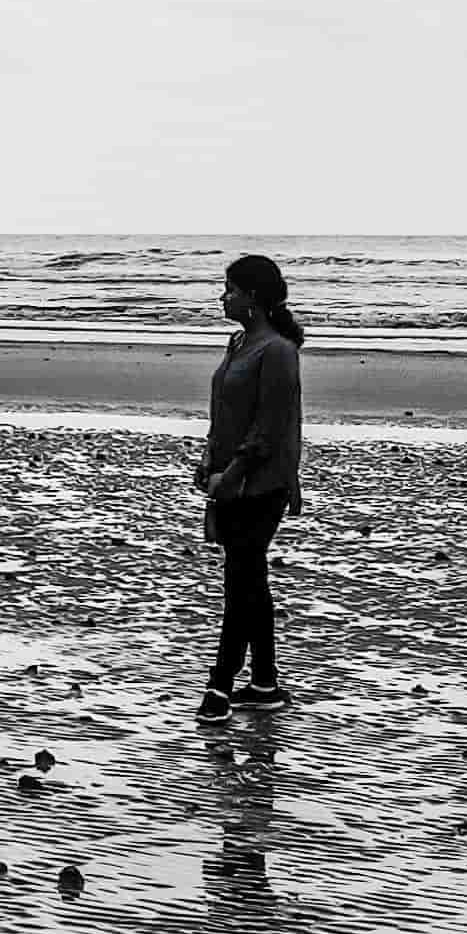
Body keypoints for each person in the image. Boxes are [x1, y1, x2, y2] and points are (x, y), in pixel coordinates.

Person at [193, 252, 304, 720]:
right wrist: (206, 461)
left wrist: (230, 478)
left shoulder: (277, 351)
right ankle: (264, 684)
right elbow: (225, 413)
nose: (224, 296)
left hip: (261, 484)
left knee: (240, 583)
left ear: (253, 296)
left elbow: (270, 427)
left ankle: (220, 688)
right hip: (229, 478)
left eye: (232, 290)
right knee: (248, 579)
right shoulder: (237, 344)